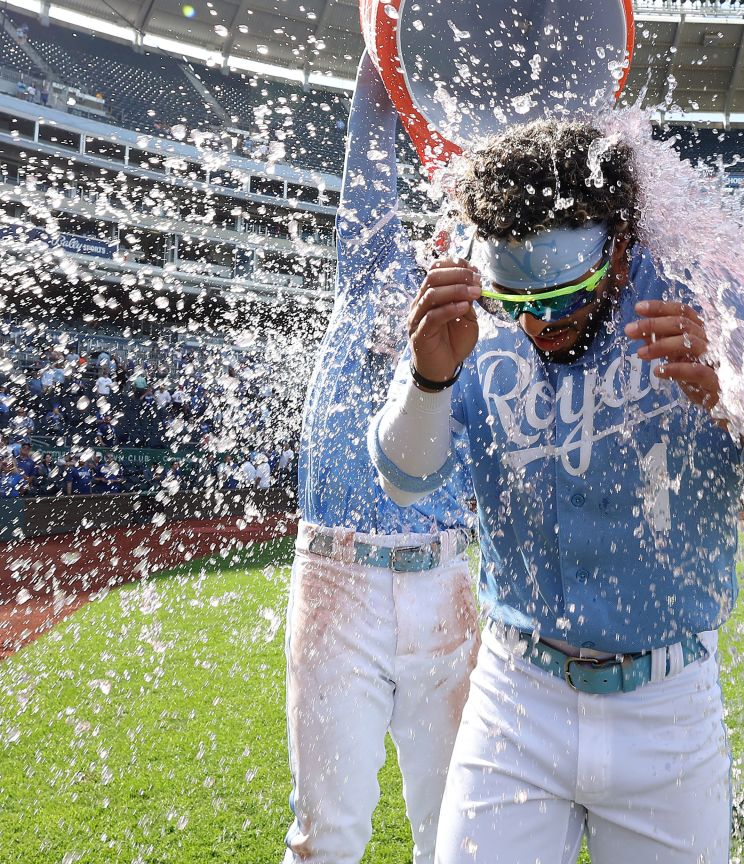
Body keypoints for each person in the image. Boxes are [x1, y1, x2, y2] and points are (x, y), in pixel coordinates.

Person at [372, 119, 744, 862]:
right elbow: (405, 481)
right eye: (518, 303)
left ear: (622, 240)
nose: (538, 325)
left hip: (668, 704)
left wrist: (736, 396)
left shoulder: (705, 299)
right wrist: (428, 379)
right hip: (518, 694)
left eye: (563, 297)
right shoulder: (470, 312)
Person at [280, 54, 477, 864]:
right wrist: (386, 42)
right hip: (338, 576)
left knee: (459, 836)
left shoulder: (488, 306)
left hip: (447, 582)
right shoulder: (369, 270)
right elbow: (369, 157)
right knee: (326, 836)